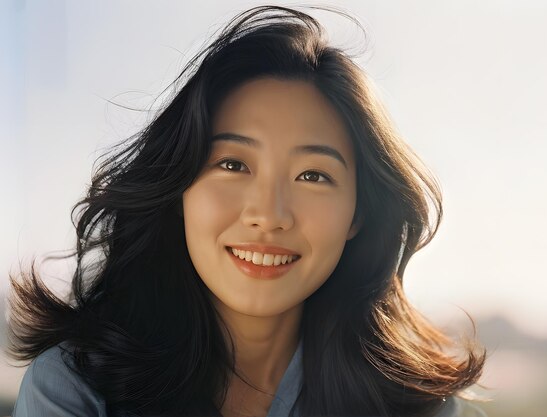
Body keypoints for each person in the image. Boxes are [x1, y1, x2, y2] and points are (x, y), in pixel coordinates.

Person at [6, 5, 487, 417]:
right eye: (233, 164)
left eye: (313, 176)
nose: (268, 214)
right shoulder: (76, 389)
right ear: (180, 189)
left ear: (357, 215)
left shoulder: (417, 403)